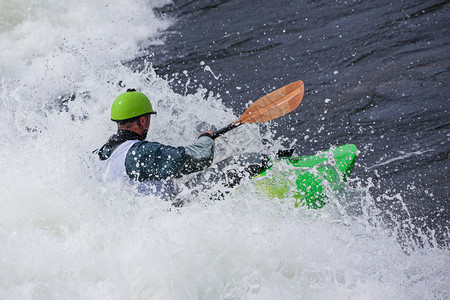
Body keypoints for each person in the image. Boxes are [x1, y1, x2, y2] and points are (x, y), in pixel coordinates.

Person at [94, 89, 215, 199]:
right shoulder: (140, 153)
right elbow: (202, 155)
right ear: (143, 120)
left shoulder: (98, 155)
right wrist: (205, 138)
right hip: (165, 218)